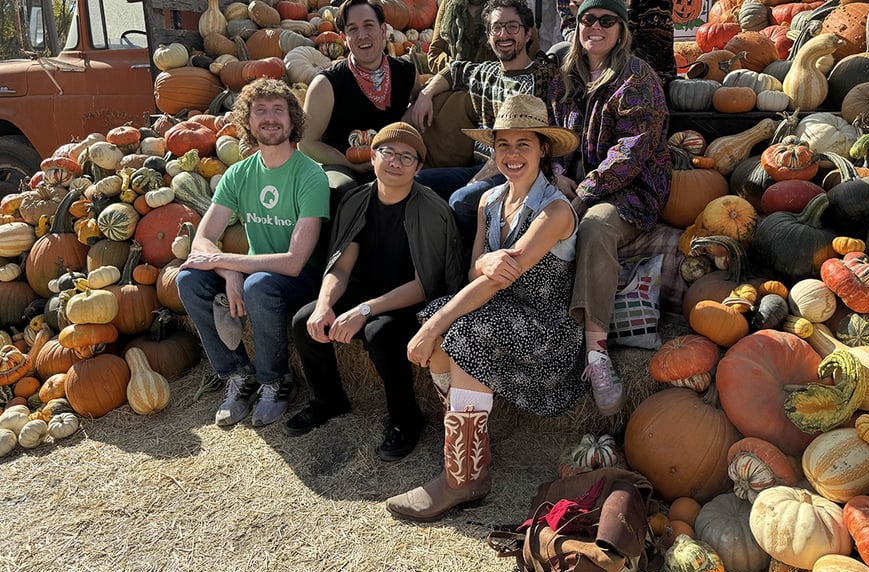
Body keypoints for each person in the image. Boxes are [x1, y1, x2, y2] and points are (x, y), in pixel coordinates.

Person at [386, 94, 585, 521]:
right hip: (500, 310)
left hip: (545, 330)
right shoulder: (489, 201)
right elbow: (476, 274)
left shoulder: (554, 211)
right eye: (503, 145)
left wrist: (439, 322)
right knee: (439, 317)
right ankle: (467, 457)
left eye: (523, 144)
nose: (512, 154)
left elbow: (499, 277)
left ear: (543, 149)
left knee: (460, 331)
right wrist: (483, 262)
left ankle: (461, 480)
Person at [286, 122, 464, 460]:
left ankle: (406, 418)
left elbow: (424, 285)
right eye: (388, 152)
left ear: (418, 167)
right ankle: (329, 400)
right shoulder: (357, 201)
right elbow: (341, 267)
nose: (395, 161)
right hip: (367, 291)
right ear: (372, 157)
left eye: (407, 157)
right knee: (304, 321)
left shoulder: (431, 209)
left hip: (415, 301)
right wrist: (325, 305)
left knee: (379, 333)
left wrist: (364, 310)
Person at [176, 78, 330, 427]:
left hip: (302, 280)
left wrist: (225, 261)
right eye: (260, 111)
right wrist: (229, 272)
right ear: (247, 121)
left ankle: (276, 380)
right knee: (189, 279)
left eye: (278, 110)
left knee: (257, 285)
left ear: (292, 120)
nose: (270, 118)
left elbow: (294, 262)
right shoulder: (238, 174)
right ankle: (239, 375)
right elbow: (202, 241)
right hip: (253, 272)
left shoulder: (310, 176)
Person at [548, 0, 672, 416]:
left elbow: (630, 152)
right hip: (572, 183)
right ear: (577, 25)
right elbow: (553, 133)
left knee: (594, 227)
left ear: (621, 30)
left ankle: (596, 353)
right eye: (588, 19)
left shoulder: (637, 78)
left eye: (606, 20)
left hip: (628, 191)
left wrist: (584, 194)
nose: (595, 27)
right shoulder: (566, 75)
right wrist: (556, 173)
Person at [409, 0, 557, 244]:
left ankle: (477, 254)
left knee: (462, 199)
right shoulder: (486, 72)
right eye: (496, 28)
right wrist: (425, 94)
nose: (504, 34)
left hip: (516, 172)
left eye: (512, 26)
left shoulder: (540, 79)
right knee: (414, 183)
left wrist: (475, 181)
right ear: (488, 36)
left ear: (528, 34)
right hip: (480, 166)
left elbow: (516, 144)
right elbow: (454, 71)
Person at [300, 0, 421, 210]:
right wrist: (350, 164)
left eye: (368, 25)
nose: (362, 35)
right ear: (344, 38)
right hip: (343, 165)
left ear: (383, 30)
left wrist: (425, 98)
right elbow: (306, 143)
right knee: (343, 189)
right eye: (353, 29)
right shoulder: (326, 84)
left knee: (422, 189)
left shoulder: (406, 72)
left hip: (394, 162)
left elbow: (417, 101)